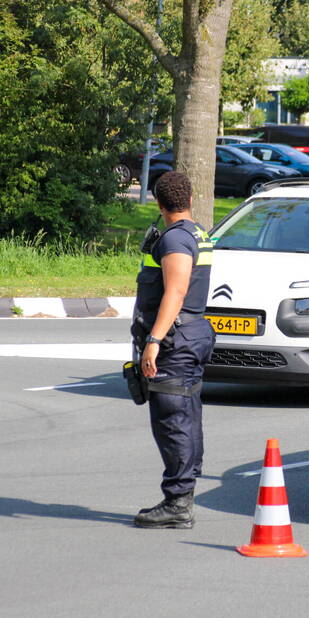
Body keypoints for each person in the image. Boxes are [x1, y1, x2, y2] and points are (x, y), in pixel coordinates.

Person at [131, 171, 215, 529]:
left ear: (158, 203)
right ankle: (183, 493)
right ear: (191, 200)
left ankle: (178, 502)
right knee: (187, 414)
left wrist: (153, 341)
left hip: (175, 340)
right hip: (191, 332)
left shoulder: (176, 240)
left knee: (173, 419)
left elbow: (176, 292)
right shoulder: (198, 234)